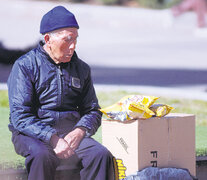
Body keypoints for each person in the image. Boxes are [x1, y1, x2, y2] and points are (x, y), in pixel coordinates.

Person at [7, 6, 116, 180]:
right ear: (48, 39)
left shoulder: (82, 69)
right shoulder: (25, 66)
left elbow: (93, 110)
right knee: (42, 155)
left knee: (100, 155)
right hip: (33, 134)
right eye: (68, 39)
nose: (72, 46)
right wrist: (52, 138)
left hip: (70, 132)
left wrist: (80, 130)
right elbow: (20, 116)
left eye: (75, 39)